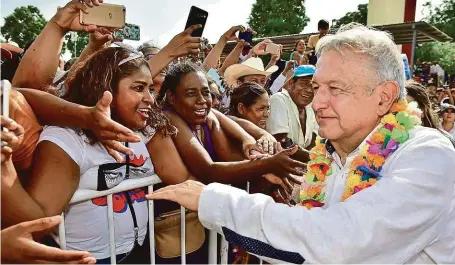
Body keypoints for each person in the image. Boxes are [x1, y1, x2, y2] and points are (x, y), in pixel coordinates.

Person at [147, 24, 455, 264]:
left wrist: (212, 200)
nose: (317, 101)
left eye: (335, 88)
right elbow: (325, 200)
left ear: (384, 96)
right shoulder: (339, 154)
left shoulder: (428, 156)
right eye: (317, 86)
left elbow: (335, 242)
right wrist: (281, 180)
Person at [15, 46, 195, 264]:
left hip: (141, 251)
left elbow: (184, 180)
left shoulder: (147, 130)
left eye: (150, 88)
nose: (150, 98)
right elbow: (38, 225)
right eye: (139, 88)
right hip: (90, 260)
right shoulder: (66, 137)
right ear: (104, 88)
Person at [267, 65, 318, 161]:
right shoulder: (279, 99)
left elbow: (315, 140)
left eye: (313, 86)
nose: (309, 90)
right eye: (303, 84)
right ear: (291, 84)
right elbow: (281, 141)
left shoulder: (311, 107)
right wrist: (315, 159)